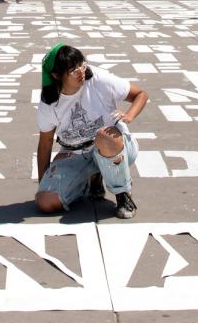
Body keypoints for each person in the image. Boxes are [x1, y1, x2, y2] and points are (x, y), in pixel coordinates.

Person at [35, 44, 148, 220]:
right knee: (46, 202)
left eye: (81, 64)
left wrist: (130, 115)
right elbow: (45, 143)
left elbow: (140, 94)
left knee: (104, 137)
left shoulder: (98, 79)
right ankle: (89, 181)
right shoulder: (49, 103)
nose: (81, 71)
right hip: (75, 152)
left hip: (115, 146)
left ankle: (123, 194)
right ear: (57, 75)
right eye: (73, 69)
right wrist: (44, 183)